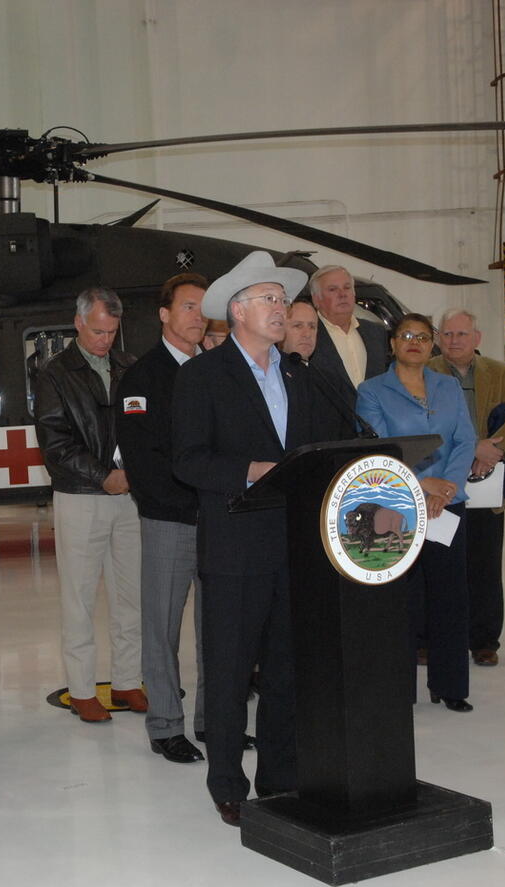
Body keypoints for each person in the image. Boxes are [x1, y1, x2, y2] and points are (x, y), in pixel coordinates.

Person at [172, 251, 318, 826]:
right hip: (235, 547)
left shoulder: (298, 374)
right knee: (230, 673)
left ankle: (281, 777)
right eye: (270, 300)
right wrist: (252, 469)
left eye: (283, 300)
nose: (282, 309)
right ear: (237, 311)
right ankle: (228, 783)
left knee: (286, 671)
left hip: (295, 546)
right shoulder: (201, 376)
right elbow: (187, 461)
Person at [33, 288, 145, 723]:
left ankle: (127, 682)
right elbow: (54, 441)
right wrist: (103, 476)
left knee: (130, 596)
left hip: (129, 497)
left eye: (112, 332)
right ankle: (82, 690)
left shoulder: (128, 366)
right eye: (98, 330)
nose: (104, 340)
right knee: (78, 598)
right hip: (81, 497)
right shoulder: (54, 374)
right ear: (78, 322)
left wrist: (136, 471)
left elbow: (143, 425)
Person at [357, 313, 477, 712]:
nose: (414, 342)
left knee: (451, 598)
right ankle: (397, 688)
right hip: (398, 506)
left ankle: (451, 685)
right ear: (392, 343)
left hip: (447, 505)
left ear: (433, 345)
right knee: (400, 601)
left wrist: (448, 487)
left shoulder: (448, 385)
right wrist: (422, 484)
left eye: (423, 337)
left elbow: (464, 439)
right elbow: (380, 446)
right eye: (406, 335)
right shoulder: (372, 391)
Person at [117, 273, 208, 765]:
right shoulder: (143, 377)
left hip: (218, 520)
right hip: (170, 521)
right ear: (165, 315)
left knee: (219, 628)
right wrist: (189, 502)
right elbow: (143, 461)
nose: (198, 316)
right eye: (188, 307)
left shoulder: (216, 371)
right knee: (162, 629)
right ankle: (166, 726)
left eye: (203, 308)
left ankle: (214, 720)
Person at [430, 307, 505, 667]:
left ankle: (485, 640)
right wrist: (472, 447)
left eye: (461, 334)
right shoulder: (426, 373)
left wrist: (496, 449)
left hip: (487, 482)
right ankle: (434, 639)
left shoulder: (500, 373)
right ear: (438, 338)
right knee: (439, 563)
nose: (454, 341)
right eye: (447, 334)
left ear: (477, 339)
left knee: (485, 564)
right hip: (441, 480)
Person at [306, 265, 389, 405]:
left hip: (373, 423)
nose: (342, 294)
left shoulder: (376, 332)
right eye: (333, 289)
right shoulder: (308, 335)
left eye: (347, 287)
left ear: (354, 293)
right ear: (316, 300)